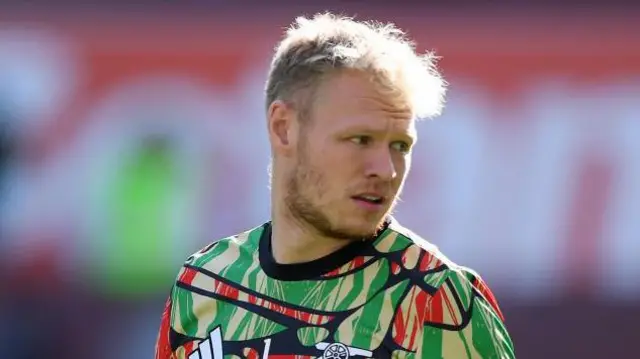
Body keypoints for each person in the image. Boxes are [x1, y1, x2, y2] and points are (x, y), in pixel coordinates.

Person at [155, 12, 515, 359]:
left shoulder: (439, 301)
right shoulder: (201, 283)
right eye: (360, 139)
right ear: (284, 128)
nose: (386, 170)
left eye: (400, 146)